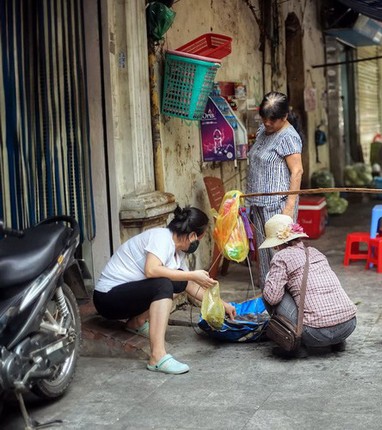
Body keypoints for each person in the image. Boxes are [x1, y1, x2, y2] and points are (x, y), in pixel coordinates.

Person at [93, 205, 237, 375]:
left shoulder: (178, 251)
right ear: (192, 236)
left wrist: (222, 305)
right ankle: (157, 357)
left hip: (125, 296)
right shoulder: (161, 238)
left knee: (176, 281)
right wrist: (191, 274)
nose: (197, 242)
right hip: (107, 298)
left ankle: (136, 323)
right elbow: (151, 270)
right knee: (163, 284)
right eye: (200, 238)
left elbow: (188, 285)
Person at [260, 214, 357, 358]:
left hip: (314, 334)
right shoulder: (315, 252)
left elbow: (273, 298)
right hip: (349, 325)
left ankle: (295, 344)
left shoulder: (281, 257)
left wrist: (269, 281)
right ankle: (337, 341)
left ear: (275, 244)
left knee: (271, 287)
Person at [246, 91, 304, 289]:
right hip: (259, 205)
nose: (267, 123)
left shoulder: (288, 137)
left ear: (284, 117)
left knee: (279, 255)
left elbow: (297, 172)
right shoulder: (263, 130)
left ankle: (284, 302)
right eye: (264, 118)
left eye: (272, 120)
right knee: (264, 256)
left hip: (277, 207)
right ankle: (268, 297)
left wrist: (289, 209)